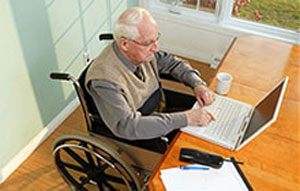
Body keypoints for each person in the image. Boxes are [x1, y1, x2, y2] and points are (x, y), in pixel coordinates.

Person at [85, 7, 215, 148]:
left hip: (159, 111)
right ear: (124, 44)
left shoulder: (143, 52)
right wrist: (186, 118)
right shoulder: (104, 80)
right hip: (140, 130)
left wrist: (198, 84)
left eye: (156, 39)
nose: (156, 48)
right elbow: (128, 126)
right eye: (148, 43)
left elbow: (173, 63)